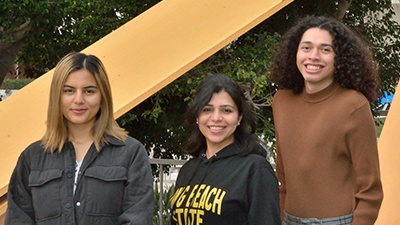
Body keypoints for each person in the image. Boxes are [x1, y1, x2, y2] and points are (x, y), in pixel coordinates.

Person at [5, 52, 154, 225]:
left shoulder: (130, 154)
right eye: (69, 91)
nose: (78, 100)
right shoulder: (32, 158)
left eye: (89, 91)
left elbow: (138, 219)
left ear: (103, 96)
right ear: (57, 96)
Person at [270, 16, 383, 225]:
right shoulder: (281, 101)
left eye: (325, 50)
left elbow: (370, 190)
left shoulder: (354, 106)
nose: (313, 56)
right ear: (295, 52)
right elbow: (284, 174)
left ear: (339, 59)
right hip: (289, 220)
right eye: (306, 47)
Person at [170, 74, 280, 225]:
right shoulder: (187, 170)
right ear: (197, 117)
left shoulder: (255, 169)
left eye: (226, 110)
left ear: (239, 117)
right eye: (207, 109)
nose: (216, 118)